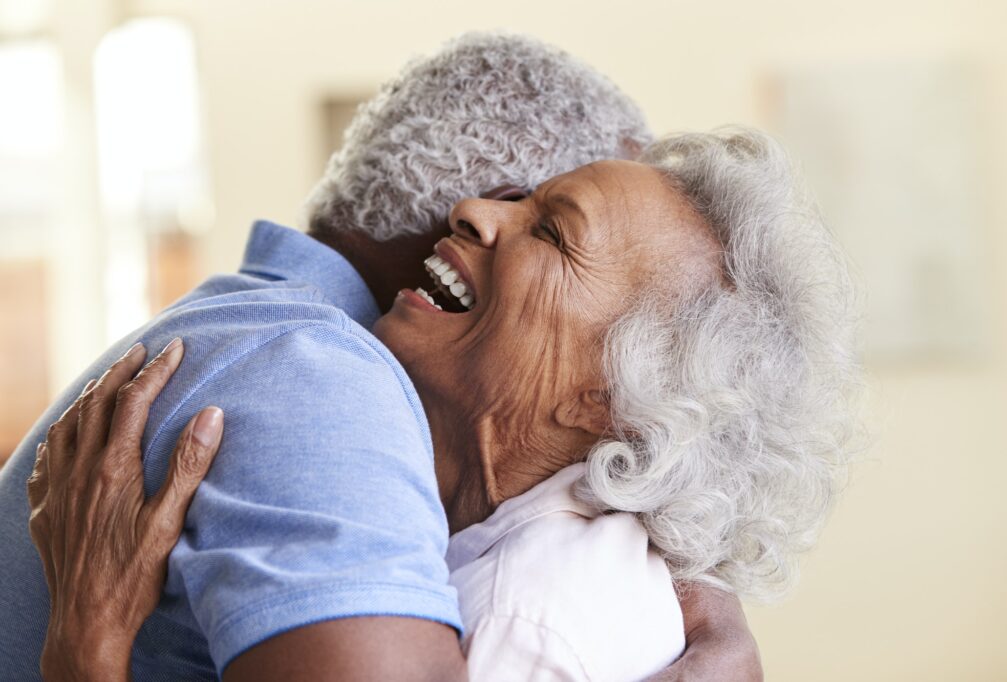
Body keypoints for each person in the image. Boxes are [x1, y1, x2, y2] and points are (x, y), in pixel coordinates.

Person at [0, 34, 763, 681]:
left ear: (616, 385)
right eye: (538, 206)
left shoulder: (249, 328)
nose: (481, 219)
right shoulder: (318, 380)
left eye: (549, 229)